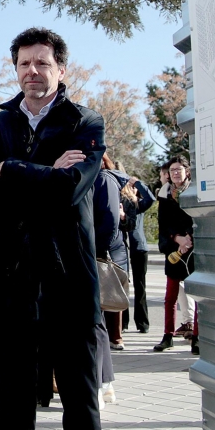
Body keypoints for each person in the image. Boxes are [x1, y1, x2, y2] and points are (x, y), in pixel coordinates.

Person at [0, 27, 106, 430]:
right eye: (24, 63)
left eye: (42, 63)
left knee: (80, 398)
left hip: (68, 276)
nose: (33, 70)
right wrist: (47, 173)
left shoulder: (85, 121)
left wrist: (9, 169)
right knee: (13, 398)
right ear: (15, 69)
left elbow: (70, 189)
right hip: (11, 275)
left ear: (61, 69)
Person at [153, 159, 198, 355]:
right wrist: (177, 239)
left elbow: (197, 217)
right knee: (170, 296)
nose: (175, 174)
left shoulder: (194, 191)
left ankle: (197, 336)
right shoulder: (164, 194)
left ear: (187, 171)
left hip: (192, 247)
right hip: (174, 248)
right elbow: (163, 223)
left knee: (196, 295)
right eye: (172, 171)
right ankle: (167, 335)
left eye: (178, 170)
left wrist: (188, 238)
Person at [91, 157, 126, 406]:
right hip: (89, 257)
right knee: (95, 322)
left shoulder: (104, 179)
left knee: (95, 322)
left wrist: (94, 252)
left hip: (98, 259)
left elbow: (110, 223)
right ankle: (104, 382)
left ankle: (102, 383)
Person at [120, 173, 155, 333]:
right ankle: (123, 322)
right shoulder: (121, 203)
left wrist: (137, 182)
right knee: (122, 286)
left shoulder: (138, 205)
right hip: (124, 248)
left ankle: (142, 323)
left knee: (140, 286)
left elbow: (151, 198)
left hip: (139, 248)